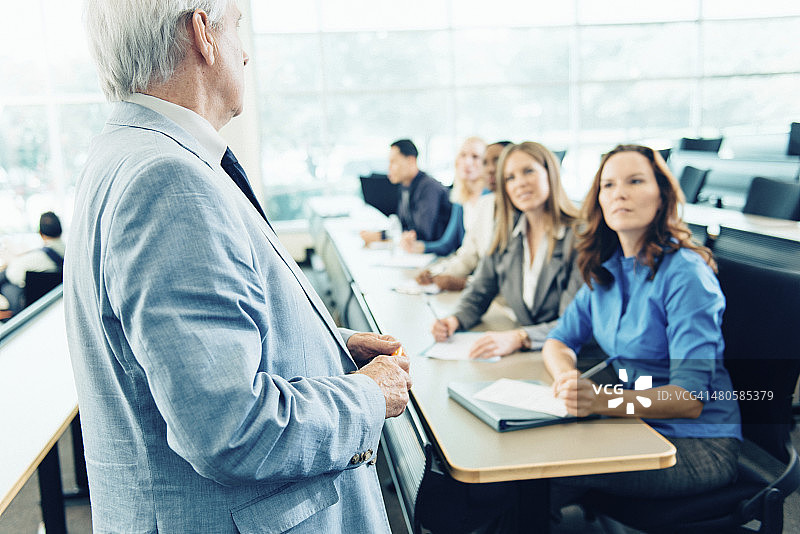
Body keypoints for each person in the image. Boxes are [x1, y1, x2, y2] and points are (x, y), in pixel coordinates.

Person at [66, 2, 412, 532]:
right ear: (203, 33)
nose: (245, 54)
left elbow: (188, 351)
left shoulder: (128, 153)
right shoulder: (167, 181)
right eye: (237, 30)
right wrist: (369, 393)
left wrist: (327, 346)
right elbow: (229, 428)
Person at [543, 144, 741, 510]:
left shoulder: (686, 275)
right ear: (599, 201)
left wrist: (602, 400)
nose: (620, 193)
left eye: (635, 181)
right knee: (528, 465)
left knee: (540, 471)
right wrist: (566, 379)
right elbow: (558, 340)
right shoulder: (607, 267)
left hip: (696, 444)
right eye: (609, 185)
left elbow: (689, 398)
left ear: (662, 196)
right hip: (634, 424)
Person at [431, 142, 582, 360]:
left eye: (528, 171)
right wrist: (454, 320)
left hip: (572, 360)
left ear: (551, 172)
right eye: (510, 178)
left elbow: (574, 322)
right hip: (529, 358)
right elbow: (480, 291)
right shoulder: (505, 232)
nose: (519, 183)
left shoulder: (579, 236)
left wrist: (520, 337)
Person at [415, 141, 511, 291]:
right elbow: (467, 254)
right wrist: (435, 273)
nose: (491, 168)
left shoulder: (519, 210)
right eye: (486, 162)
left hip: (495, 292)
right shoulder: (483, 203)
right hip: (480, 287)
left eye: (497, 160)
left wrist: (465, 283)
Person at [399, 136, 487, 257]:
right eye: (463, 155)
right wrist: (417, 247)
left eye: (475, 157)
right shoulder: (460, 198)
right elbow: (447, 244)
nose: (467, 162)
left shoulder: (488, 197)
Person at [360, 139, 451, 245]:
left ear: (411, 161)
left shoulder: (428, 187)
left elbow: (423, 234)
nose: (389, 167)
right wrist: (381, 234)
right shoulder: (404, 187)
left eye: (393, 162)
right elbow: (401, 227)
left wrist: (381, 236)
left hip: (437, 253)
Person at [0, 211, 65, 315]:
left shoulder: (35, 258)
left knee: (5, 281)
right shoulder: (70, 253)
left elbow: (12, 274)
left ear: (40, 233)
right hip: (55, 302)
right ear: (61, 230)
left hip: (28, 305)